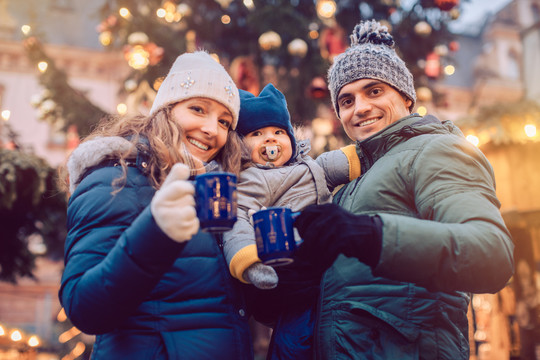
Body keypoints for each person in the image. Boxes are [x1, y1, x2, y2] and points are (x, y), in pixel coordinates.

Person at [264, 20, 514, 359]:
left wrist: (371, 235)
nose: (361, 108)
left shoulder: (436, 151)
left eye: (374, 91)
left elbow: (491, 255)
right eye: (347, 100)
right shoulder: (350, 181)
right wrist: (287, 286)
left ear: (407, 97)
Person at [58, 51, 254, 359]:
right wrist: (156, 233)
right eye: (198, 109)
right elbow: (84, 308)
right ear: (166, 111)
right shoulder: (116, 178)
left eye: (224, 121)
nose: (212, 129)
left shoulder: (216, 190)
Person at [223, 83, 360, 359]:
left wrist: (361, 155)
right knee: (297, 334)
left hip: (329, 262)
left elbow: (331, 166)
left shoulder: (306, 165)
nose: (270, 140)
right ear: (240, 144)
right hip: (290, 266)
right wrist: (248, 258)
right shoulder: (250, 178)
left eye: (278, 132)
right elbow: (237, 219)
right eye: (257, 134)